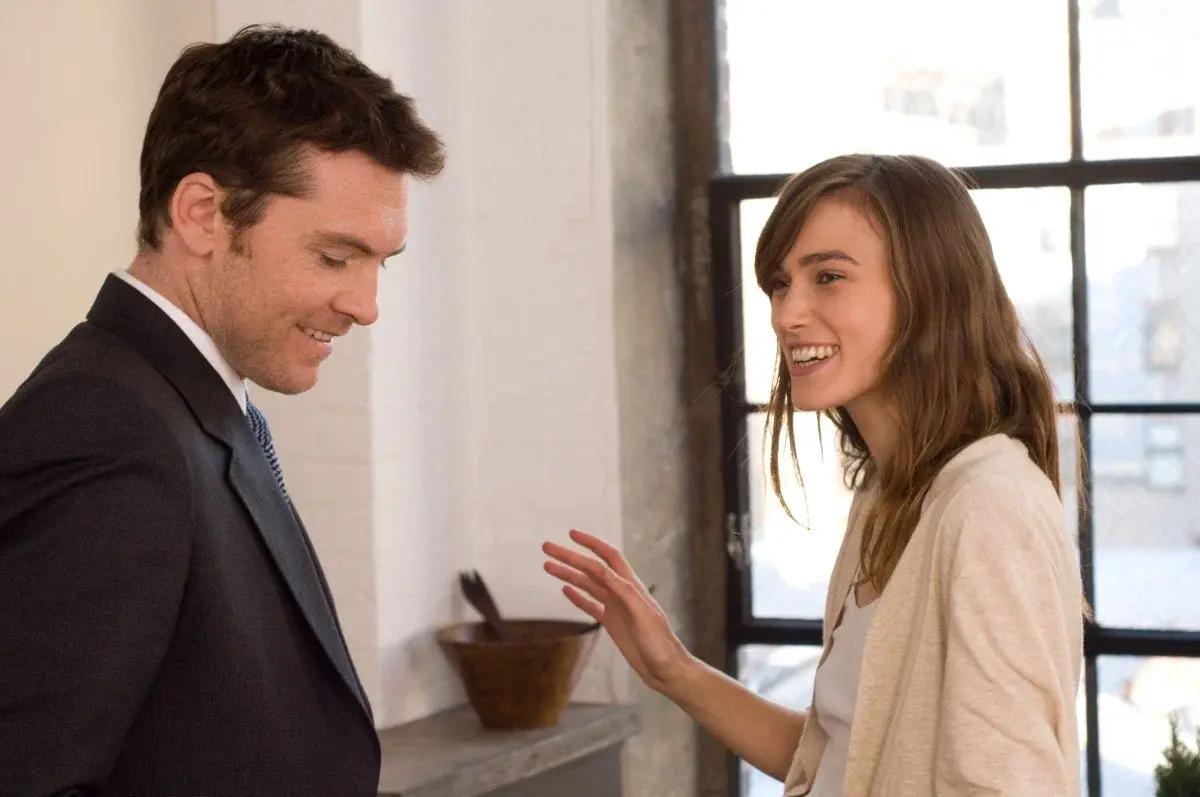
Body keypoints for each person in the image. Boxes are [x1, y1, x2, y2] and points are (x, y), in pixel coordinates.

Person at [543, 154, 1085, 795]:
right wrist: (673, 669)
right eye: (780, 284)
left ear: (932, 291)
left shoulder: (990, 508)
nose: (785, 314)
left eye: (828, 277)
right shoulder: (887, 494)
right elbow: (842, 758)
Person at [0, 25, 442, 796]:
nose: (366, 305)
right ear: (204, 213)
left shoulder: (187, 405)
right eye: (335, 256)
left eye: (381, 264)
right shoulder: (107, 432)